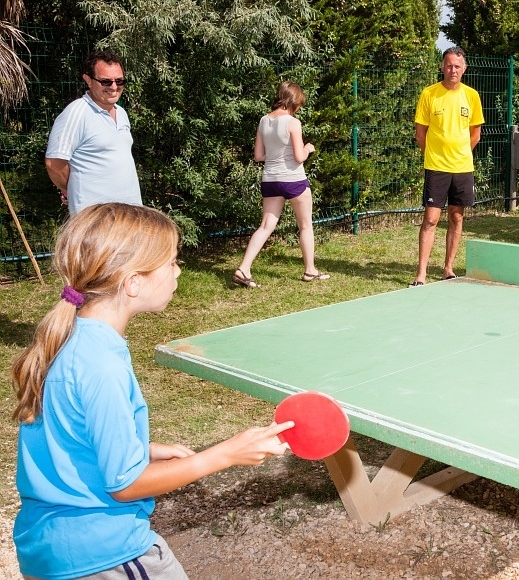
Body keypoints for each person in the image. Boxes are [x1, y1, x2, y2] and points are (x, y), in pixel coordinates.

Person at [10, 203, 292, 580]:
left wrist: (142, 449)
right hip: (105, 554)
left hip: (50, 550)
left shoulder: (71, 340)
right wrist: (224, 454)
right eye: (172, 262)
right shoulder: (102, 365)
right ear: (133, 282)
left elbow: (68, 437)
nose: (178, 271)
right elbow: (125, 485)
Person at [234, 81, 328, 287]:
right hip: (293, 180)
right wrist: (308, 148)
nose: (299, 108)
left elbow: (258, 156)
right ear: (293, 101)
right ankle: (310, 271)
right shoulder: (293, 123)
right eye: (299, 104)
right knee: (305, 225)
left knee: (265, 226)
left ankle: (244, 269)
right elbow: (299, 157)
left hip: (270, 180)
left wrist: (276, 154)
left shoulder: (263, 120)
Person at [411, 46, 484, 286]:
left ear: (464, 69)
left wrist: (460, 153)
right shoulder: (429, 94)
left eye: (457, 66)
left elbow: (475, 134)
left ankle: (448, 268)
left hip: (462, 168)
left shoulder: (472, 96)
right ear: (442, 66)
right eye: (449, 65)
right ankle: (421, 274)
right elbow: (420, 134)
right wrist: (434, 155)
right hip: (436, 167)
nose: (453, 70)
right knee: (431, 219)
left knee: (456, 217)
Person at [45, 50, 143, 216]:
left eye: (119, 81)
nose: (114, 87)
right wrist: (69, 190)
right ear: (88, 80)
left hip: (130, 216)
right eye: (106, 82)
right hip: (95, 219)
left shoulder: (121, 113)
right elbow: (54, 163)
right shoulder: (76, 113)